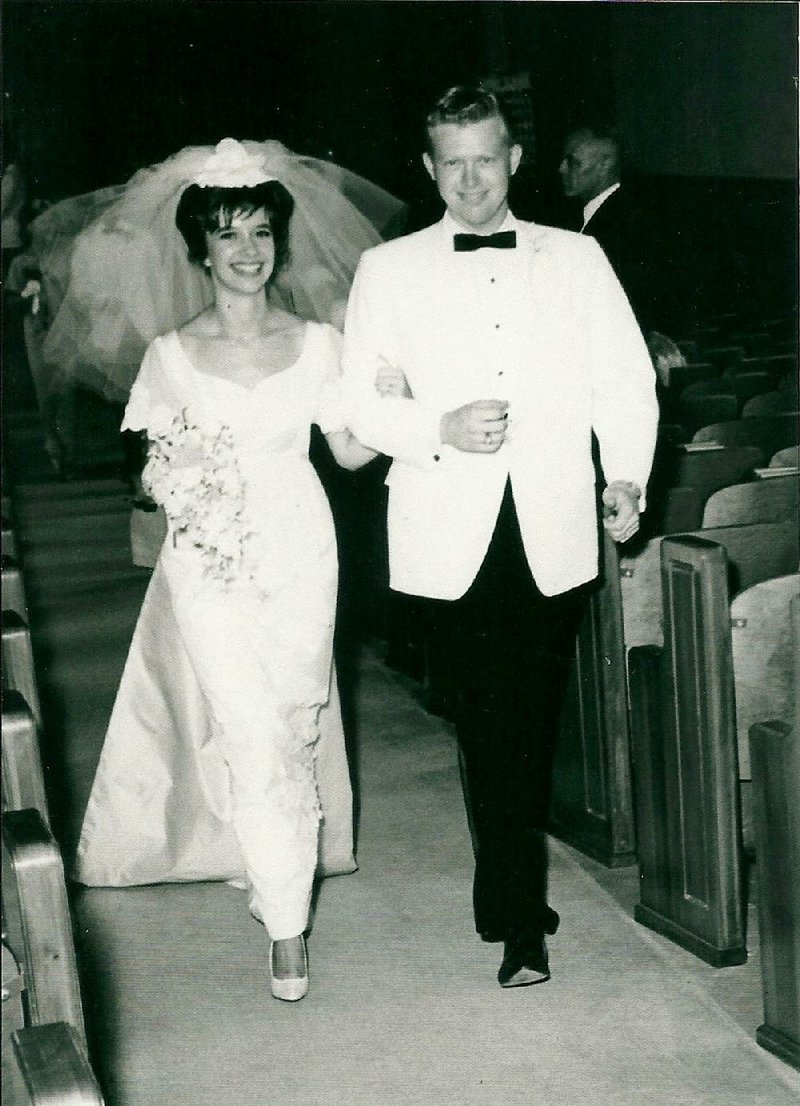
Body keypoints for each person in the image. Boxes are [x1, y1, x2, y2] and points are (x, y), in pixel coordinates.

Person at [343, 86, 659, 988]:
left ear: (515, 159)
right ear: (429, 167)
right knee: (487, 718)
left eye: (487, 158)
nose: (471, 179)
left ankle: (503, 882)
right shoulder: (388, 270)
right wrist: (436, 425)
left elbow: (625, 380)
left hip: (554, 522)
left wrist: (626, 474)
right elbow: (359, 405)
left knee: (531, 715)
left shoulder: (578, 257)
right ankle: (523, 920)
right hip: (448, 525)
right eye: (453, 163)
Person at [74, 139, 402, 1003]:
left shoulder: (322, 343)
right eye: (228, 236)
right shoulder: (170, 356)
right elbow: (146, 479)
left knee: (292, 722)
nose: (247, 251)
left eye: (260, 232)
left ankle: (268, 864)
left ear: (278, 242)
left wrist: (404, 403)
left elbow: (351, 450)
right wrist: (170, 474)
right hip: (210, 561)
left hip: (301, 543)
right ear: (201, 250)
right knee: (252, 728)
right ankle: (289, 929)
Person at [558, 124, 683, 385]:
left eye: (573, 162)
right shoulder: (622, 212)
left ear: (606, 164)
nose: (562, 169)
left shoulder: (614, 227)